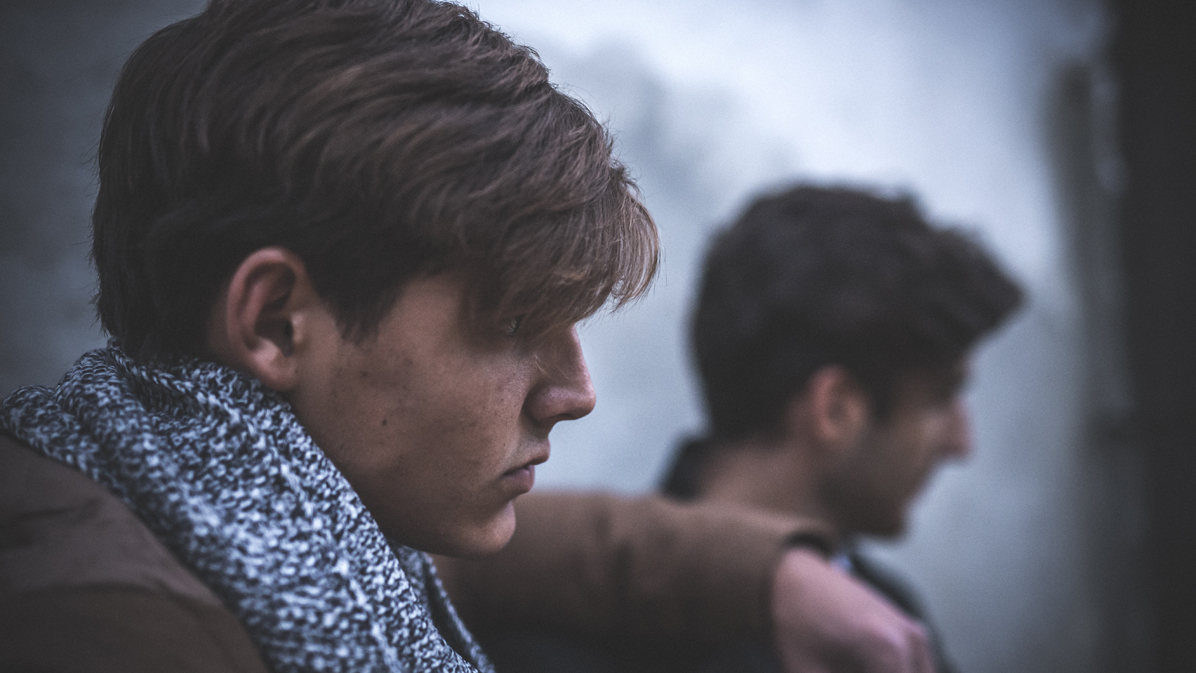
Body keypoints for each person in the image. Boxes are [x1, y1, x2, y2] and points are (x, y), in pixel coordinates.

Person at [0, 2, 937, 672]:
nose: (575, 390)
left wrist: (772, 577)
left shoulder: (262, 515)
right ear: (279, 322)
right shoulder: (108, 636)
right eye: (515, 323)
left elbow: (549, 548)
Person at [453, 184, 1022, 673]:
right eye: (941, 399)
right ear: (836, 409)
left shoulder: (886, 610)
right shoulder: (562, 645)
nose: (961, 442)